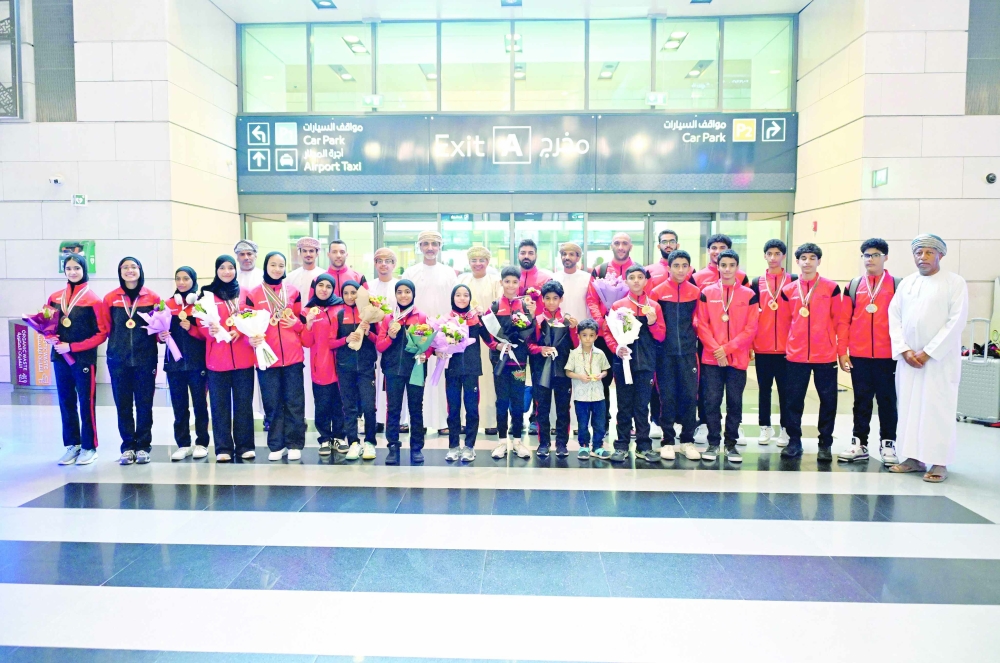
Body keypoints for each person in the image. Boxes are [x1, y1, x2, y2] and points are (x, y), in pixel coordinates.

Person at [888, 235, 968, 483]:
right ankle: (912, 458)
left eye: (928, 253)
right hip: (909, 361)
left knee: (937, 409)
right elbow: (894, 318)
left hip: (939, 363)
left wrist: (928, 352)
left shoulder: (955, 283)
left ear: (940, 255)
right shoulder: (907, 284)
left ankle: (939, 462)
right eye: (918, 253)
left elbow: (956, 322)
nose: (922, 258)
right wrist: (904, 350)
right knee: (910, 408)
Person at [778, 243, 848, 461]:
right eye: (803, 258)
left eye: (812, 258)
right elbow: (783, 323)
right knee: (793, 401)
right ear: (797, 262)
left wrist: (840, 350)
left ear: (819, 261)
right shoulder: (788, 290)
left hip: (825, 355)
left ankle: (825, 443)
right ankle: (794, 440)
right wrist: (788, 348)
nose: (807, 262)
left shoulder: (831, 288)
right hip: (796, 356)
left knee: (828, 400)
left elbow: (840, 321)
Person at [838, 238, 900, 465]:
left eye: (875, 254)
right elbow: (844, 321)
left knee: (887, 401)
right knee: (861, 401)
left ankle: (888, 444)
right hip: (859, 355)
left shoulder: (897, 284)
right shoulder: (854, 285)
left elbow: (903, 321)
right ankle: (859, 443)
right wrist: (842, 351)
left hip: (888, 356)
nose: (870, 259)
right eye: (866, 255)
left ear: (885, 257)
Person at [696, 249, 760, 463]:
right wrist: (717, 350)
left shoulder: (749, 295)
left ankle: (731, 444)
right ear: (718, 267)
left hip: (737, 359)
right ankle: (713, 443)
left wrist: (728, 349)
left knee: (735, 402)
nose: (727, 269)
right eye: (724, 265)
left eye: (732, 265)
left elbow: (751, 328)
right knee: (712, 401)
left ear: (737, 267)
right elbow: (702, 325)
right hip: (711, 359)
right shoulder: (706, 292)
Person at [47, 253, 108, 466]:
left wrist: (72, 347)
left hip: (83, 360)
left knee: (86, 402)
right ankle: (72, 445)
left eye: (77, 268)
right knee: (65, 401)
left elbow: (102, 333)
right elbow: (47, 324)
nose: (73, 272)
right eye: (69, 268)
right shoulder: (55, 298)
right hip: (60, 358)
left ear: (84, 270)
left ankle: (89, 447)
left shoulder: (95, 300)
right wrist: (49, 336)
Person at [246, 252, 307, 462]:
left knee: (294, 402)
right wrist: (250, 340)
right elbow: (247, 325)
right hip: (266, 356)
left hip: (292, 356)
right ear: (266, 266)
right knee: (272, 402)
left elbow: (300, 322)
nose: (277, 269)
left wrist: (297, 325)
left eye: (281, 265)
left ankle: (295, 443)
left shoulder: (293, 291)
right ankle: (276, 444)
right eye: (273, 265)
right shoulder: (253, 294)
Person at [603, 265, 665, 464]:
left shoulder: (654, 306)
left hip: (646, 363)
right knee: (624, 404)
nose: (636, 281)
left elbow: (661, 336)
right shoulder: (618, 306)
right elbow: (608, 333)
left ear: (646, 280)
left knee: (642, 405)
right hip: (623, 363)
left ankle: (643, 446)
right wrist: (616, 349)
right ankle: (621, 445)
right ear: (626, 281)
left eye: (640, 277)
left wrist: (653, 322)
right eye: (632, 277)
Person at [102, 257, 161, 465]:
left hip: (146, 359)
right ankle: (127, 446)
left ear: (140, 270)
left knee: (145, 404)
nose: (130, 270)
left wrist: (161, 337)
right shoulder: (110, 298)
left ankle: (144, 446)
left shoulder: (152, 297)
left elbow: (158, 328)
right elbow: (106, 328)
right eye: (125, 267)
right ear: (120, 272)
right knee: (123, 405)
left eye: (133, 267)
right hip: (119, 360)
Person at [199, 255, 257, 461]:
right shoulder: (206, 295)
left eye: (230, 268)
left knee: (243, 404)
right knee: (219, 405)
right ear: (216, 270)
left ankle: (245, 445)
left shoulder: (245, 293)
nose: (226, 272)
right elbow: (200, 326)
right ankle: (223, 447)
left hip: (243, 358)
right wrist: (211, 330)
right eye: (222, 268)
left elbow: (252, 316)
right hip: (217, 360)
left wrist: (240, 332)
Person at [402, 230, 457, 435]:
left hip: (443, 333)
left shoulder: (449, 273)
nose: (430, 248)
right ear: (420, 247)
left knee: (441, 376)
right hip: (419, 333)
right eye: (426, 244)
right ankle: (419, 421)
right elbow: (406, 300)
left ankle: (443, 420)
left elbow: (453, 302)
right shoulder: (411, 272)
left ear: (440, 246)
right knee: (418, 376)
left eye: (434, 244)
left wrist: (449, 327)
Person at [650, 250, 702, 461]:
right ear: (669, 267)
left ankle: (687, 440)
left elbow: (700, 322)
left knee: (690, 396)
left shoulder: (696, 292)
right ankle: (668, 441)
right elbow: (654, 326)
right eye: (677, 265)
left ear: (689, 268)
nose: (681, 270)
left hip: (689, 353)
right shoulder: (657, 292)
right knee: (667, 397)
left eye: (684, 265)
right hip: (665, 355)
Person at [586, 232, 639, 429]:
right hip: (603, 334)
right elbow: (591, 299)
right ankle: (603, 420)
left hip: (628, 335)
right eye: (617, 243)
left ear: (630, 246)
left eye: (625, 243)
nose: (621, 246)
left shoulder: (637, 270)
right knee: (603, 378)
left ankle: (627, 422)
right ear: (612, 246)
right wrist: (602, 321)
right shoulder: (599, 271)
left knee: (628, 378)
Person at [376, 280, 430, 466]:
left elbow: (429, 344)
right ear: (395, 295)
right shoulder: (388, 318)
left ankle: (416, 448)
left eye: (407, 291)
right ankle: (393, 446)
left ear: (413, 294)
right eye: (400, 292)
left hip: (415, 369)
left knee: (416, 409)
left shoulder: (421, 317)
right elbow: (380, 346)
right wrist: (390, 336)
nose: (404, 295)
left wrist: (426, 355)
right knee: (393, 409)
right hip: (393, 370)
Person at [750, 239, 797, 446]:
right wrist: (752, 345)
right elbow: (751, 316)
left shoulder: (793, 281)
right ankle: (764, 427)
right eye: (769, 253)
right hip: (763, 347)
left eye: (777, 253)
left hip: (788, 348)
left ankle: (785, 429)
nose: (773, 258)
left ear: (783, 256)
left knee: (786, 391)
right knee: (764, 389)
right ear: (764, 256)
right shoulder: (756, 282)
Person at [487, 265, 536, 459]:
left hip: (519, 362)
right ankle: (501, 442)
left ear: (519, 284)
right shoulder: (495, 306)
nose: (510, 285)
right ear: (501, 283)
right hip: (499, 362)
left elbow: (531, 334)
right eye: (507, 281)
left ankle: (517, 441)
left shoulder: (524, 306)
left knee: (517, 401)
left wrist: (531, 317)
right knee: (501, 401)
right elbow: (487, 334)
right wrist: (496, 346)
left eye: (515, 282)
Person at [162, 267, 210, 461]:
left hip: (197, 364)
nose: (181, 282)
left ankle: (202, 443)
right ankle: (183, 444)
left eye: (186, 279)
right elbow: (158, 332)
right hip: (174, 365)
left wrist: (192, 328)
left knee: (200, 405)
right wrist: (160, 335)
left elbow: (206, 335)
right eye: (178, 279)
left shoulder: (200, 305)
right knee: (179, 406)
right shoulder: (167, 305)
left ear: (194, 280)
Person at [527, 280, 579, 458]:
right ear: (542, 299)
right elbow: (530, 345)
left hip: (563, 371)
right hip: (541, 371)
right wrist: (541, 349)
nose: (551, 302)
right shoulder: (537, 320)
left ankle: (562, 443)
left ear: (561, 299)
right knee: (542, 408)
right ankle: (543, 443)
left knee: (563, 407)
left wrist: (574, 329)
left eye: (555, 298)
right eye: (547, 298)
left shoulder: (567, 320)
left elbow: (576, 345)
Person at [300, 273, 346, 457]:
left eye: (328, 286)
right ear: (315, 287)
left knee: (341, 403)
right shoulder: (308, 310)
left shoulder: (342, 306)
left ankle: (339, 436)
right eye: (321, 285)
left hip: (342, 364)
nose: (324, 289)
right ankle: (325, 438)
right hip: (320, 365)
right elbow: (306, 342)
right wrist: (309, 324)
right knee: (323, 404)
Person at [333, 280, 379, 461]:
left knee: (369, 406)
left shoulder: (370, 313)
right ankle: (353, 442)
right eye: (346, 293)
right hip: (345, 368)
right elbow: (331, 342)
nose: (350, 296)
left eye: (354, 292)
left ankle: (369, 442)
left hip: (367, 367)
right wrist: (345, 339)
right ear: (342, 295)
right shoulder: (339, 314)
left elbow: (379, 341)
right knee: (349, 407)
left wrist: (369, 333)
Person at [459, 246, 503, 435]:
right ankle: (464, 420)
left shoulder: (495, 281)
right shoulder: (462, 280)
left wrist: (482, 316)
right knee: (466, 378)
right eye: (474, 260)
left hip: (488, 335)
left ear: (488, 261)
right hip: (465, 337)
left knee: (488, 379)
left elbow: (499, 306)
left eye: (482, 260)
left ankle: (490, 420)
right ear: (469, 262)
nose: (478, 264)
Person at [443, 284, 484, 462]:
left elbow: (490, 338)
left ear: (470, 298)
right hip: (451, 370)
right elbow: (438, 343)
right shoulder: (445, 320)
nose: (461, 298)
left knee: (472, 410)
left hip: (471, 370)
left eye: (465, 295)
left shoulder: (476, 319)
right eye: (458, 295)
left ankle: (469, 446)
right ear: (453, 298)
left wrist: (500, 346)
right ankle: (453, 446)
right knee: (453, 410)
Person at [564, 319, 611, 460]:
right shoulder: (574, 354)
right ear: (578, 336)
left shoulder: (600, 353)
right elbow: (567, 372)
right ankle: (583, 446)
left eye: (591, 335)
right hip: (581, 396)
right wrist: (579, 376)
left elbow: (605, 369)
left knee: (599, 423)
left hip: (598, 395)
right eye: (584, 335)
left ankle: (597, 446)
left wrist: (602, 375)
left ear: (596, 336)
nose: (588, 338)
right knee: (583, 423)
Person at [369, 247, 401, 432]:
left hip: (394, 340)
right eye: (379, 260)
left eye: (387, 261)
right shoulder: (369, 287)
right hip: (373, 339)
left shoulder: (399, 286)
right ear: (375, 264)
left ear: (393, 264)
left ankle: (398, 419)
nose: (383, 264)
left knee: (392, 381)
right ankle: (377, 418)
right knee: (376, 380)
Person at [553, 242, 591, 322]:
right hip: (559, 326)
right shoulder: (554, 278)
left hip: (581, 327)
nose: (567, 257)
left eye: (571, 254)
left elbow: (591, 304)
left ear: (578, 258)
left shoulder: (587, 278)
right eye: (564, 254)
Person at [286, 237, 325, 301]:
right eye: (304, 251)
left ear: (317, 253)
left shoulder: (324, 275)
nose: (308, 254)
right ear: (300, 253)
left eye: (311, 251)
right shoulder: (290, 277)